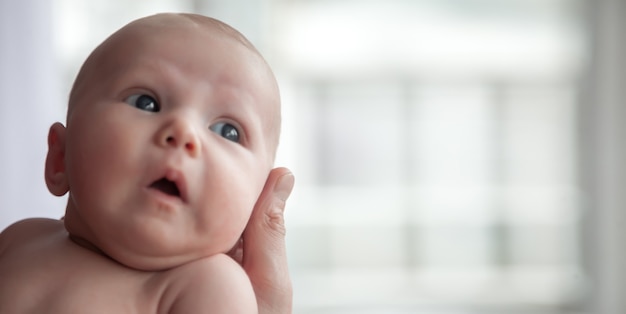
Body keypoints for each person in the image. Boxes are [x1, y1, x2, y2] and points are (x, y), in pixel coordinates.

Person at [0, 13, 294, 313]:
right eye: (146, 102)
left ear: (257, 200)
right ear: (60, 159)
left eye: (227, 131)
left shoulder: (210, 287)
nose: (183, 132)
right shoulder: (20, 240)